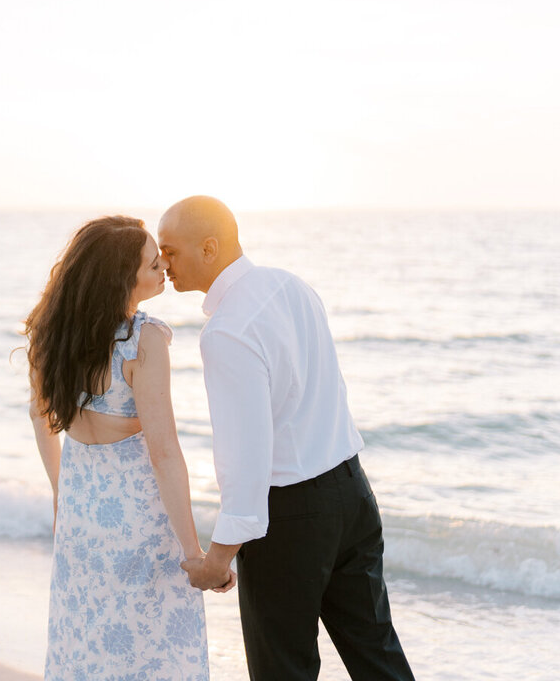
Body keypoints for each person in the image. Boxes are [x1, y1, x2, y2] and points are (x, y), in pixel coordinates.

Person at [159, 197, 415, 681]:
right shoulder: (291, 285)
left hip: (291, 520)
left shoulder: (227, 331)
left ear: (209, 248)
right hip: (353, 494)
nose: (164, 263)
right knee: (378, 656)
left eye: (171, 251)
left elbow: (248, 457)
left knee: (283, 673)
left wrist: (218, 557)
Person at [26, 215, 227, 681]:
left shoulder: (51, 334)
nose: (164, 269)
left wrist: (62, 493)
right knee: (153, 654)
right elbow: (164, 453)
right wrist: (194, 552)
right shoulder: (144, 339)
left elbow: (40, 417)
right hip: (140, 525)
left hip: (80, 519)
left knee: (87, 647)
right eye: (153, 263)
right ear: (122, 276)